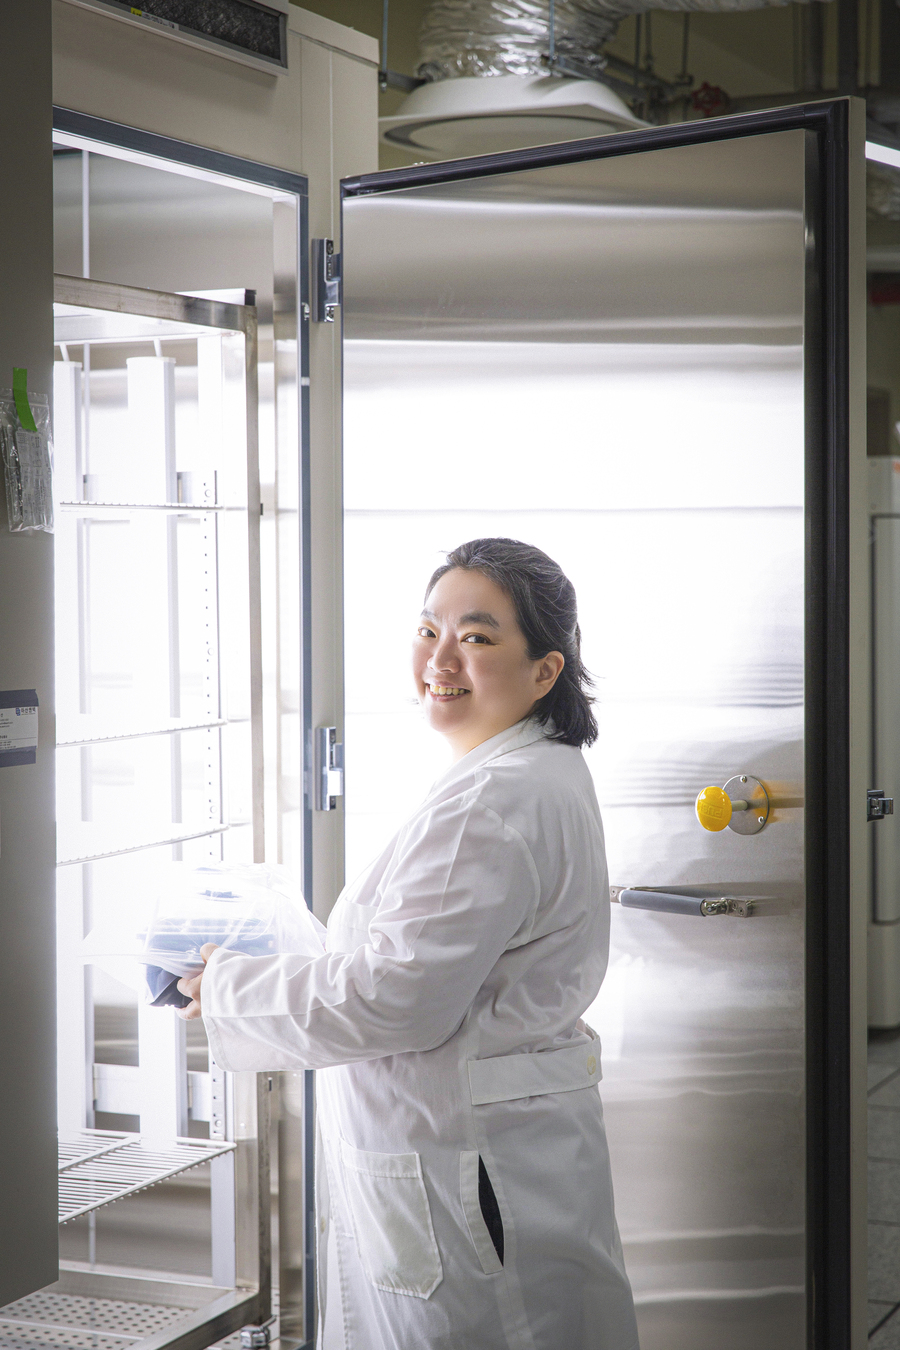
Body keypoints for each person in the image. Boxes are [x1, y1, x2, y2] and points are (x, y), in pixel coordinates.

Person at [178, 537, 638, 1350]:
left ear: (545, 671)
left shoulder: (492, 801)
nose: (441, 658)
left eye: (478, 636)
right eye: (429, 630)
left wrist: (230, 987)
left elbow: (396, 999)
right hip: (502, 1155)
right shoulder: (534, 771)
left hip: (465, 1172)